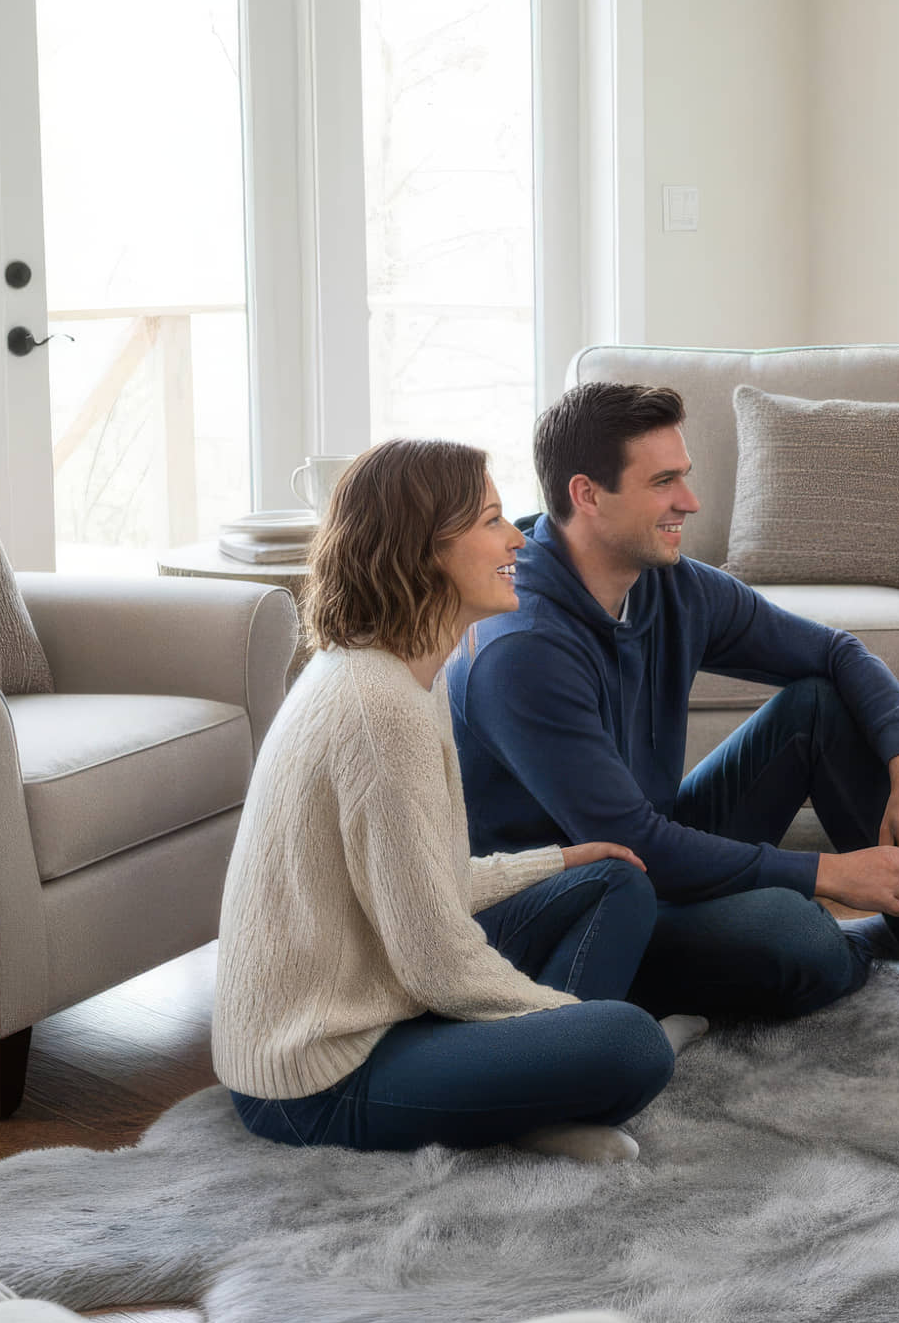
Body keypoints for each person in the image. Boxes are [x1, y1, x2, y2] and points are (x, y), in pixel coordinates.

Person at [447, 380, 899, 1024]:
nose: (691, 501)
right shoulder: (523, 648)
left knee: (818, 706)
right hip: (571, 917)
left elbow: (839, 655)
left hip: (650, 858)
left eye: (686, 475)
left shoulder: (668, 586)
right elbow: (630, 844)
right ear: (586, 494)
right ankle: (860, 943)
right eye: (663, 483)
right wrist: (829, 875)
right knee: (803, 941)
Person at [213, 437, 698, 1164]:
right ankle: (543, 1092)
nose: (518, 539)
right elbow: (433, 959)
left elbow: (430, 885)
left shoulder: (410, 669)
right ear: (425, 549)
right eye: (492, 521)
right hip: (318, 1075)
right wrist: (575, 1022)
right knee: (630, 1043)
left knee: (615, 879)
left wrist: (557, 861)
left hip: (382, 1000)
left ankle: (528, 1094)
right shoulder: (378, 708)